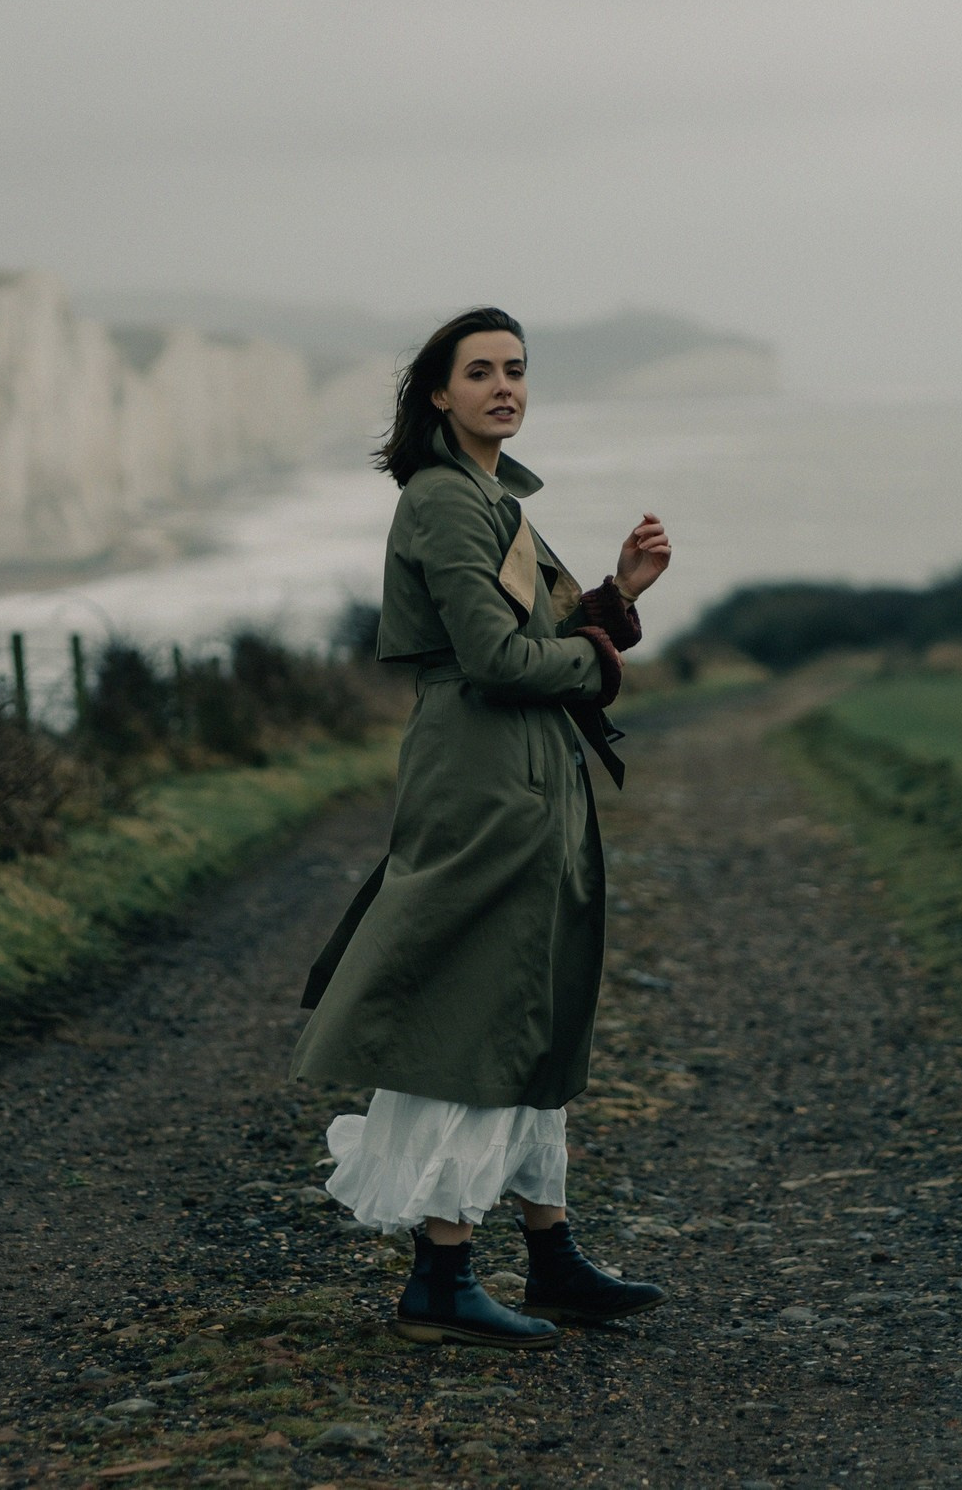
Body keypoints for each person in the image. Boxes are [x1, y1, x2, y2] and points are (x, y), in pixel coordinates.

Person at [291, 306, 673, 1349]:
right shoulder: (443, 503)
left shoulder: (487, 496)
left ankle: (548, 1256)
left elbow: (528, 632)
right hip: (484, 781)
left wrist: (612, 597)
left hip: (522, 775)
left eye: (515, 370)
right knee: (478, 1009)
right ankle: (441, 1273)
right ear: (436, 396)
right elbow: (500, 664)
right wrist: (600, 659)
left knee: (531, 1001)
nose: (503, 387)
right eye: (480, 373)